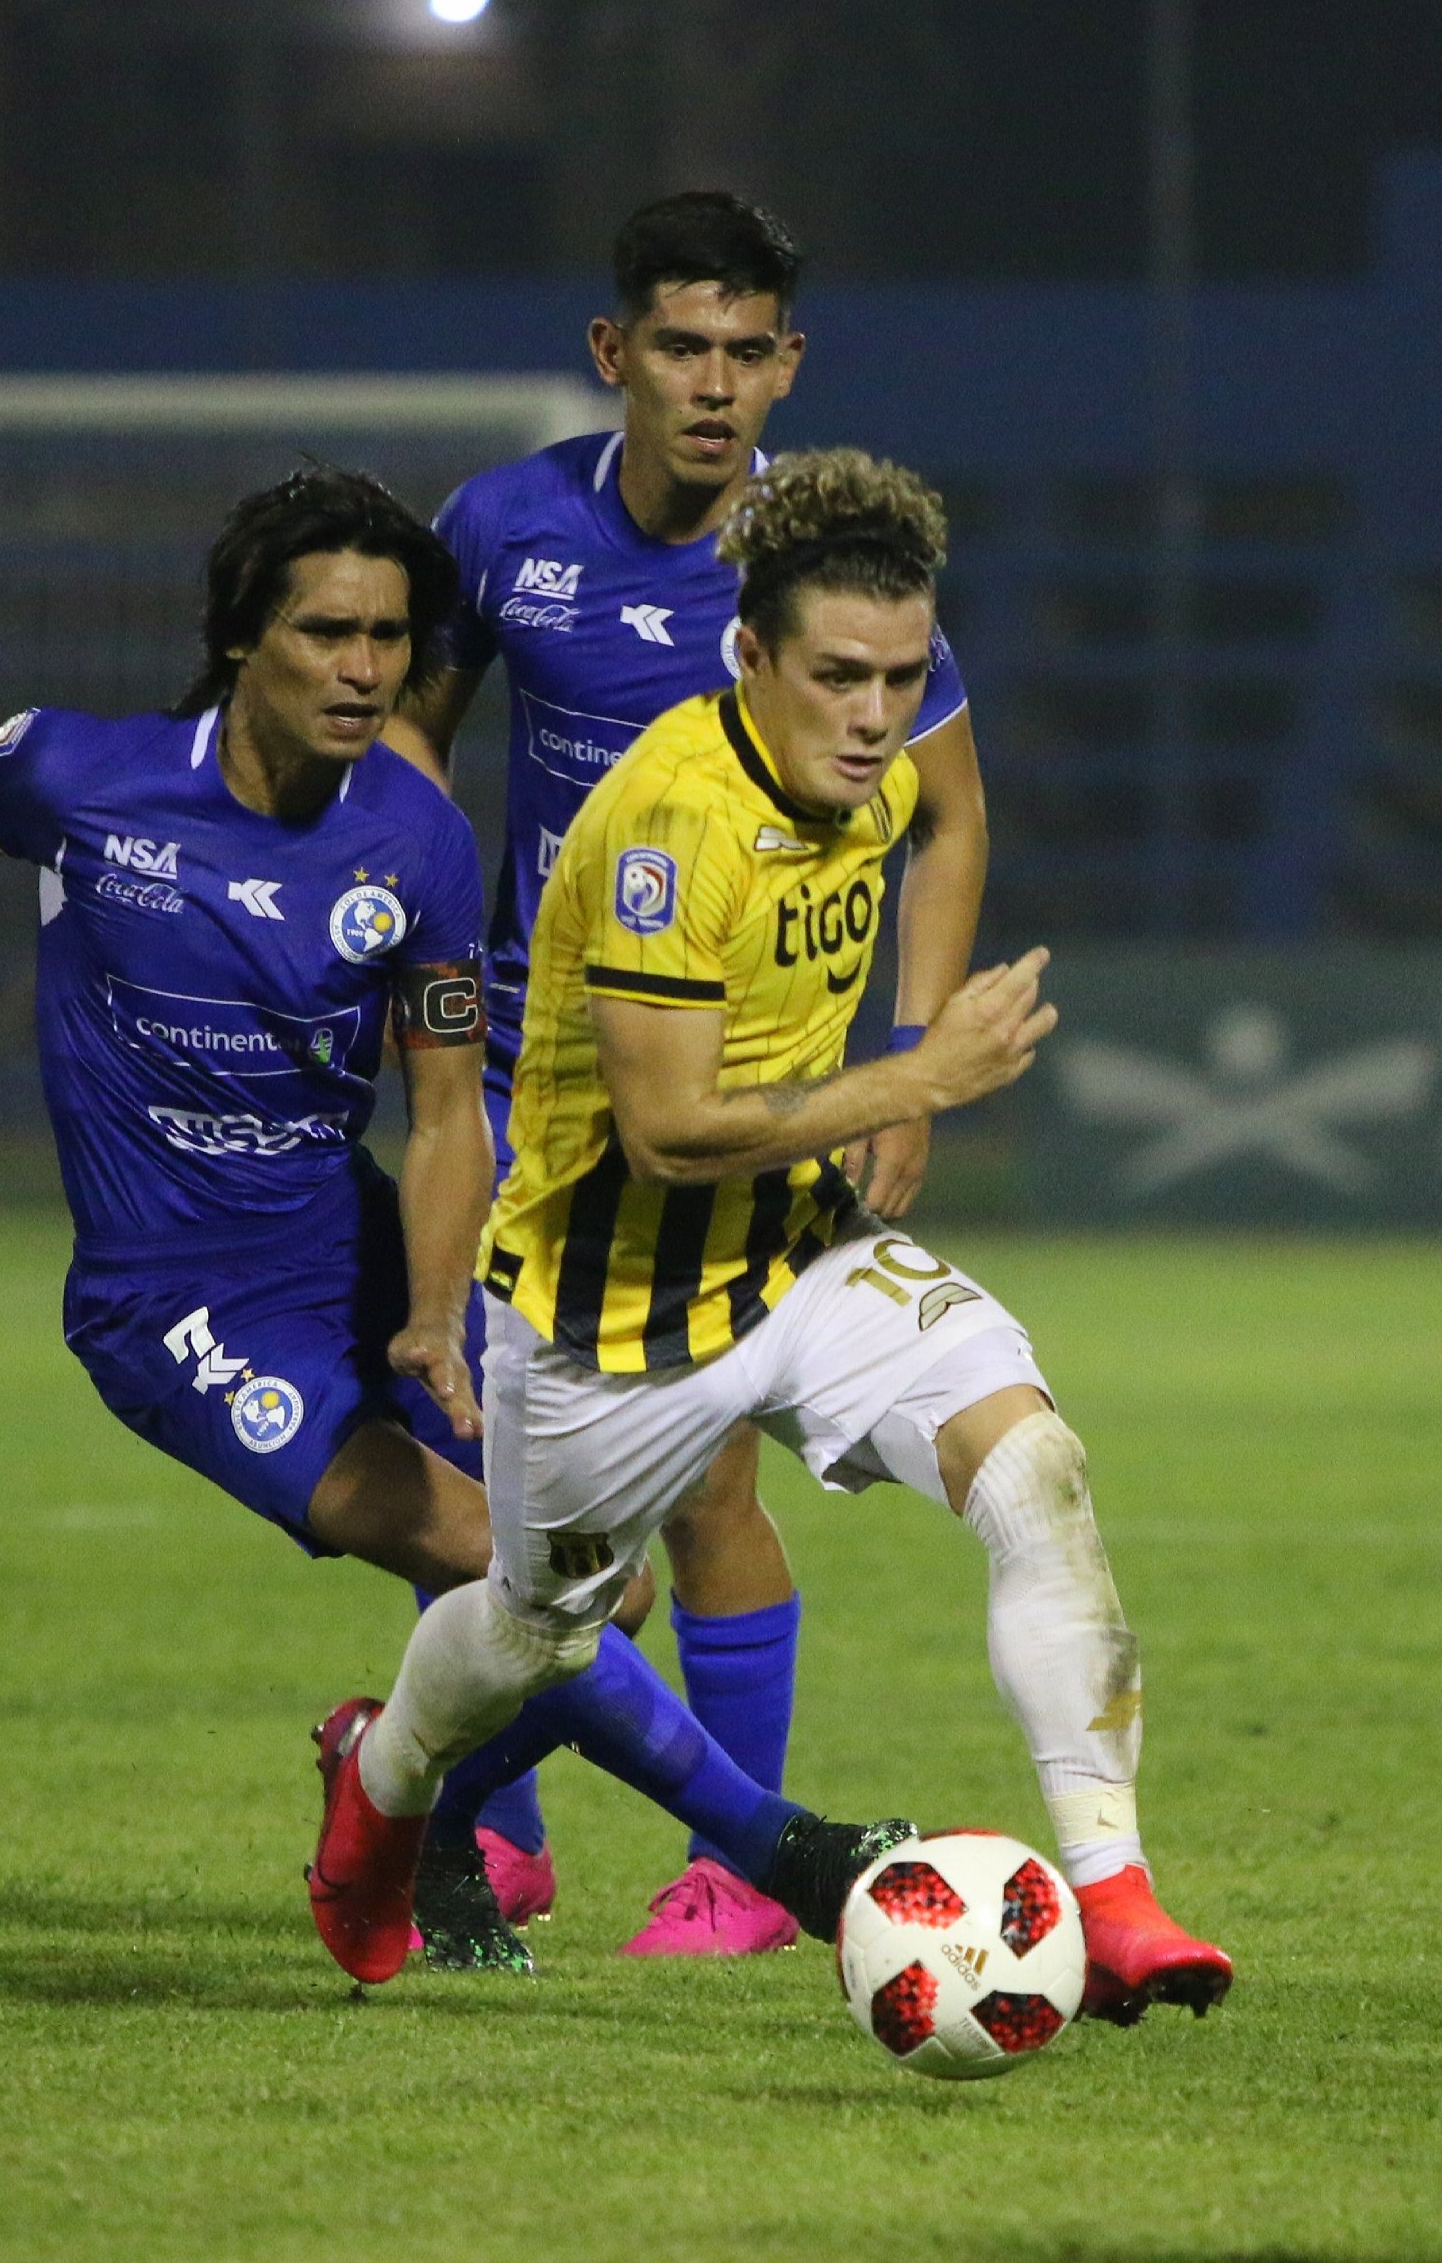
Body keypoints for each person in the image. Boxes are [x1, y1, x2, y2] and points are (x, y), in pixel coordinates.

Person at [0, 465, 899, 1977]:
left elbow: (435, 1111)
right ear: (241, 638)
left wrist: (431, 1312)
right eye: (329, 634)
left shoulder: (410, 843)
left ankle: (403, 1800)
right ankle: (784, 1851)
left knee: (602, 1572)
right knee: (506, 1560)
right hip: (175, 1305)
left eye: (393, 642)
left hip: (349, 1245)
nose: (367, 671)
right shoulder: (74, 774)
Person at [312, 450, 1233, 2024]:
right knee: (542, 1625)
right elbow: (666, 1130)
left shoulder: (861, 771)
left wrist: (906, 1065)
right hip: (610, 1311)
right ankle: (384, 1785)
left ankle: (1116, 1896)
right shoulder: (678, 823)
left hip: (796, 1256)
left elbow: (954, 826)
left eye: (897, 678)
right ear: (750, 659)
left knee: (1032, 1465)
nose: (874, 717)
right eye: (837, 680)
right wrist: (916, 1072)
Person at [386, 191, 992, 1955]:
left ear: (787, 363)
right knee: (513, 1493)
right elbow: (412, 736)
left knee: (698, 1480)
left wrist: (912, 1064)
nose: (713, 386)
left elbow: (948, 819)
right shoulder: (501, 530)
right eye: (679, 347)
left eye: (747, 352)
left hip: (735, 1088)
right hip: (516, 1078)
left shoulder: (826, 582)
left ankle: (720, 1869)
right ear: (614, 355)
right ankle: (500, 1835)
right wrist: (401, 945)